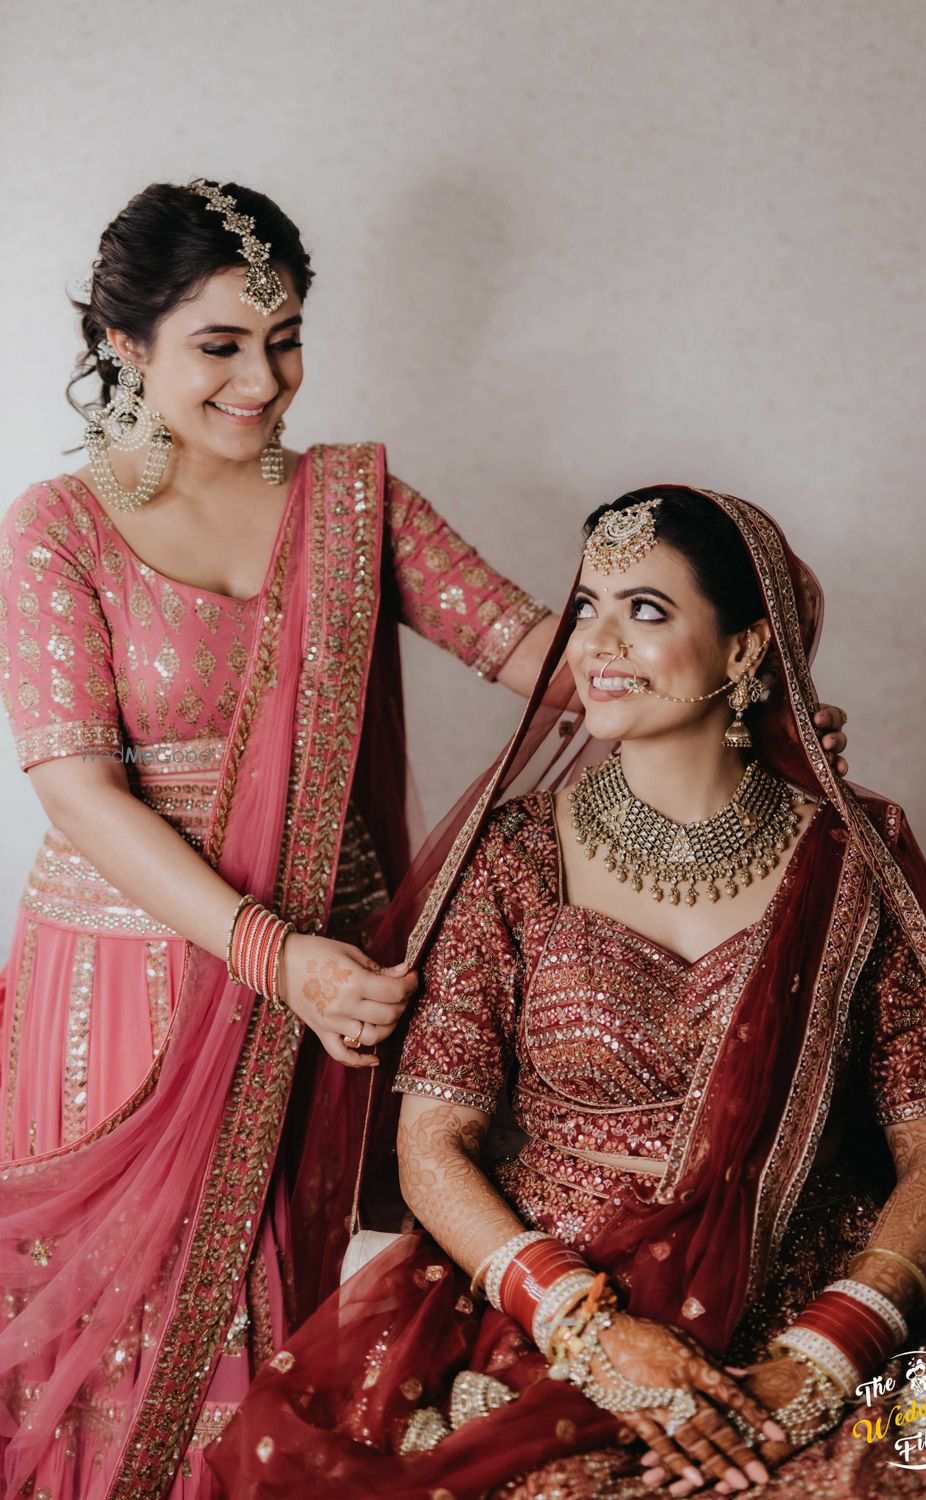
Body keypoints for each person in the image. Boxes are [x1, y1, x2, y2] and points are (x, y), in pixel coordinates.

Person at [0, 178, 848, 1497]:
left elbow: (541, 654)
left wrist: (754, 690)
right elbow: (75, 790)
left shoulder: (357, 509)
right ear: (126, 347)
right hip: (124, 984)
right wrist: (276, 957)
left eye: (285, 341)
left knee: (278, 1325)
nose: (263, 381)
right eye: (219, 346)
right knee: (113, 1345)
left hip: (329, 994)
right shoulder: (57, 529)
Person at [211, 486, 926, 1498]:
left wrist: (827, 1352)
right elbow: (430, 1144)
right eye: (585, 606)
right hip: (546, 1307)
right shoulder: (512, 858)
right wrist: (590, 1333)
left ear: (748, 649)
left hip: (815, 1299)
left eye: (646, 610)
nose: (596, 642)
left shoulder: (853, 862)